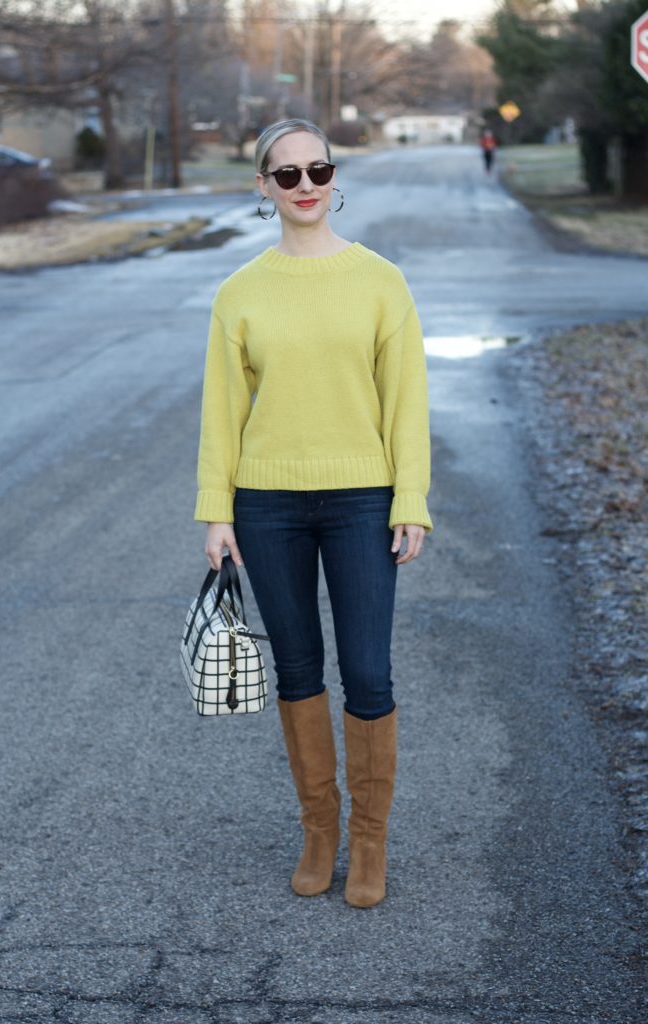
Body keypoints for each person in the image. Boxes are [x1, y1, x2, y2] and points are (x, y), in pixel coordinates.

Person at [194, 117, 433, 909]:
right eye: (285, 175)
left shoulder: (380, 281)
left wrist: (411, 499)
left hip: (362, 497)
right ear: (261, 188)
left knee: (367, 672)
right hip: (266, 505)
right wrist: (215, 510)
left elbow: (405, 404)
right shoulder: (239, 294)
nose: (305, 187)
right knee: (297, 671)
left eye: (317, 170)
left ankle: (369, 841)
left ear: (335, 179)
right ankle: (318, 829)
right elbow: (221, 411)